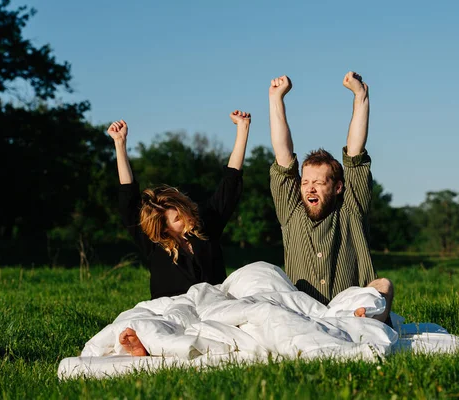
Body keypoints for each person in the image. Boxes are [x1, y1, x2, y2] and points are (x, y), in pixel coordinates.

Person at [108, 111, 251, 356]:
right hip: (170, 312)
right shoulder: (153, 244)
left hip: (211, 309)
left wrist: (243, 129)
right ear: (163, 228)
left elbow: (230, 183)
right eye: (177, 219)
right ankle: (150, 344)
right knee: (142, 321)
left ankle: (163, 346)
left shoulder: (205, 227)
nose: (186, 218)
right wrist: (120, 144)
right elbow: (128, 199)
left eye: (184, 211)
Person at [268, 71, 394, 324]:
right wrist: (276, 99)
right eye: (305, 182)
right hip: (304, 313)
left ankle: (369, 327)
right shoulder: (292, 211)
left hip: (351, 308)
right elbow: (283, 157)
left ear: (338, 187)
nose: (309, 188)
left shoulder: (351, 208)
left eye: (318, 182)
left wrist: (360, 96)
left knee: (384, 284)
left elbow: (356, 154)